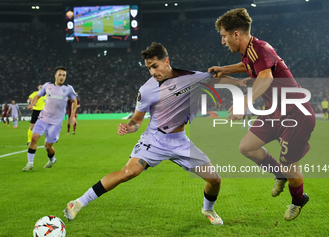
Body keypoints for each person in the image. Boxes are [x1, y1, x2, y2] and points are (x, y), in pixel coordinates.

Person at [63, 42, 223, 225]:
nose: (153, 72)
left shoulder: (190, 77)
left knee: (215, 179)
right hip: (154, 140)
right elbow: (137, 120)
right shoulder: (147, 90)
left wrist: (251, 69)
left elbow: (219, 73)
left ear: (167, 61)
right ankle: (78, 203)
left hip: (180, 141)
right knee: (128, 172)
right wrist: (129, 127)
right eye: (149, 68)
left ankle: (208, 209)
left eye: (155, 66)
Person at [208, 8, 315, 221]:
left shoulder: (259, 49)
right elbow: (247, 65)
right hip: (274, 111)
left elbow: (264, 77)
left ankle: (298, 200)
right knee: (247, 147)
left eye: (224, 36)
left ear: (236, 34)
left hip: (295, 113)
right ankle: (279, 174)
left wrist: (244, 103)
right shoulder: (250, 51)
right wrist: (225, 69)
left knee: (290, 164)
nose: (223, 41)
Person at [23, 66, 78, 171]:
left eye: (64, 75)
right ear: (55, 76)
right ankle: (30, 163)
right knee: (34, 138)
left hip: (56, 123)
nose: (62, 77)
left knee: (48, 146)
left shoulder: (68, 88)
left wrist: (72, 116)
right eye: (60, 75)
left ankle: (52, 159)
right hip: (43, 118)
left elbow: (74, 101)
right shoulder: (47, 86)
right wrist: (32, 104)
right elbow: (38, 96)